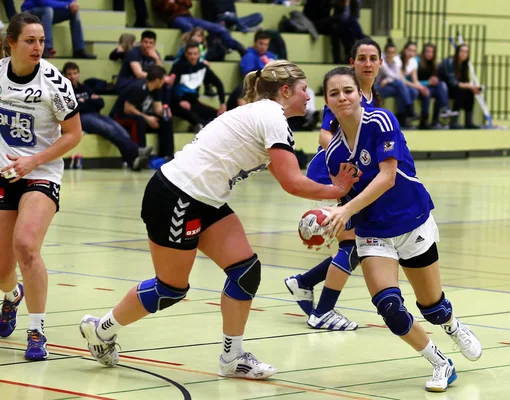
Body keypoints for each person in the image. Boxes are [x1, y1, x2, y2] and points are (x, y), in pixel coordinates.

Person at [78, 60, 360, 379]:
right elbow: (291, 181)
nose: (309, 96)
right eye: (304, 89)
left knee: (245, 271)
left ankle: (233, 357)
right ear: (285, 90)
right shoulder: (271, 116)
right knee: (171, 287)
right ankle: (101, 330)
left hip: (204, 198)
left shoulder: (262, 115)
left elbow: (285, 173)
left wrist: (334, 193)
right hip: (178, 196)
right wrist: (336, 191)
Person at [320, 66, 483, 392]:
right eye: (334, 93)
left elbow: (387, 176)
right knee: (389, 307)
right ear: (326, 101)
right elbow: (346, 199)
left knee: (432, 306)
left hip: (412, 221)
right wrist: (328, 222)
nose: (342, 97)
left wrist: (346, 208)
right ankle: (441, 363)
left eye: (347, 90)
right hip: (373, 233)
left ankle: (451, 325)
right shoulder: (334, 153)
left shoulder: (380, 120)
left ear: (358, 92)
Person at [0, 12, 82, 360]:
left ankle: (37, 331)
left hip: (40, 173)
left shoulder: (55, 83)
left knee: (26, 245)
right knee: (0, 273)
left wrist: (33, 160)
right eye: (30, 40)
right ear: (10, 43)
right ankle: (12, 294)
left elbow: (74, 134)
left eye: (42, 40)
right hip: (0, 172)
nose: (38, 47)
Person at [285, 37, 382, 331]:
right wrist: (349, 162)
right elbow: (324, 137)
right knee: (354, 246)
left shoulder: (372, 98)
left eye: (372, 58)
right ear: (351, 63)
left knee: (357, 246)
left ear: (380, 63)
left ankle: (303, 283)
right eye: (361, 58)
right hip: (333, 175)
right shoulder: (345, 95)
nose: (367, 63)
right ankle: (323, 311)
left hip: (354, 179)